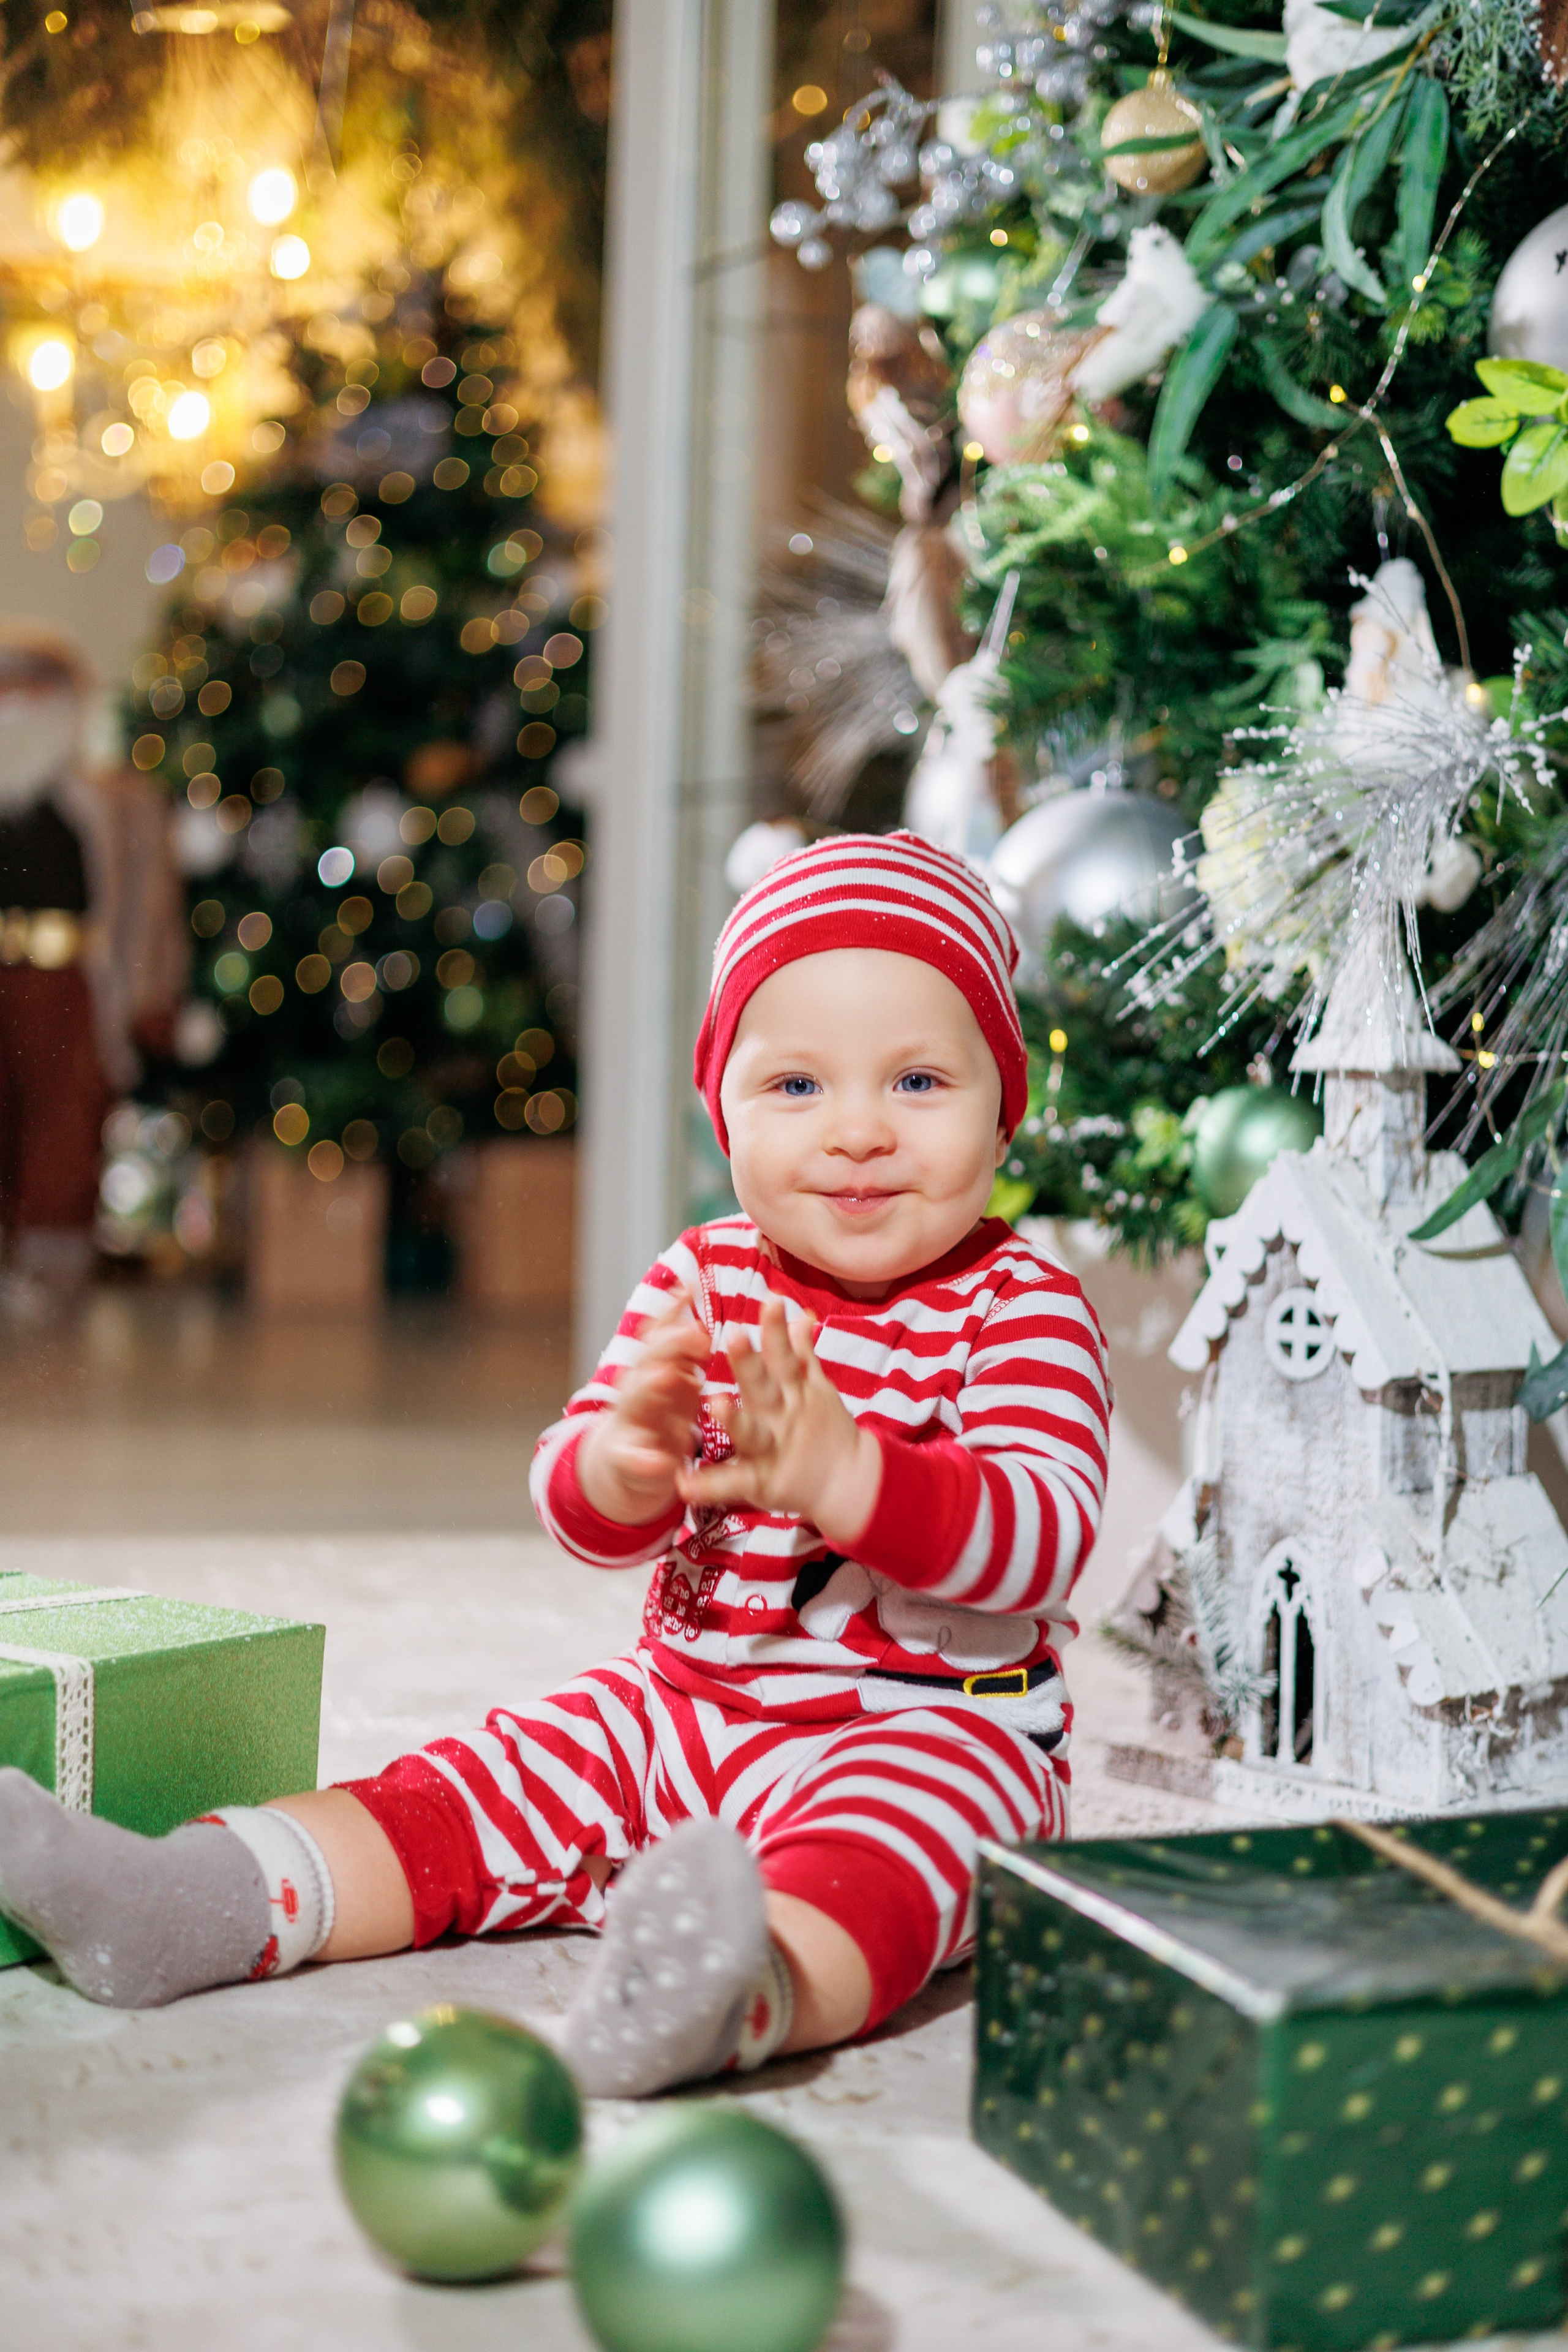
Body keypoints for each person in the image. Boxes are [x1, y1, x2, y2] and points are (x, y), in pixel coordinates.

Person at [0, 832, 1109, 2095]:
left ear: (1002, 1105)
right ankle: (192, 1899)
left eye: (917, 1082)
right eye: (796, 1085)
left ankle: (736, 1990)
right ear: (723, 1109)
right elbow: (575, 1496)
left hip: (934, 1726)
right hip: (679, 1710)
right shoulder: (704, 1276)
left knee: (902, 1852)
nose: (857, 1132)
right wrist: (622, 1465)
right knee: (476, 1779)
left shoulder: (1020, 1305)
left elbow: (1043, 1535)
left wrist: (853, 1480)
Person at [0, 625, 187, 1321]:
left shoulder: (116, 800)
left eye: (31, 688)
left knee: (65, 1122)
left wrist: (153, 992)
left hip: (67, 981)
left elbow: (152, 907)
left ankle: (50, 1271)